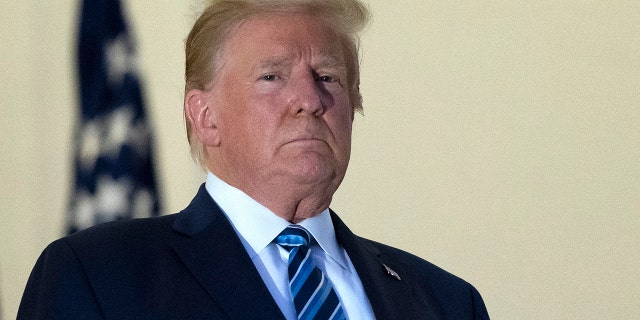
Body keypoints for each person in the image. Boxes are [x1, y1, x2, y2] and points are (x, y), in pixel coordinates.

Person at [18, 0, 490, 319]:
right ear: (205, 117)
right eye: (272, 77)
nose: (309, 99)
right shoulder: (99, 276)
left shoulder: (446, 302)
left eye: (328, 76)